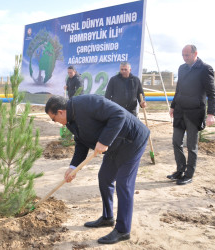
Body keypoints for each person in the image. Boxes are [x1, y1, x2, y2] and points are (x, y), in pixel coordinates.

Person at [45, 94, 149, 244]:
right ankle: (108, 218)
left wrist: (103, 141)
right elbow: (81, 143)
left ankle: (123, 230)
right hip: (114, 145)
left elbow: (118, 114)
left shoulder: (87, 103)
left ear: (60, 112)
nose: (56, 122)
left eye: (53, 119)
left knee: (123, 184)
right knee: (105, 178)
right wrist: (73, 167)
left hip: (132, 139)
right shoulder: (70, 122)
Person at [167, 45, 215, 185]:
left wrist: (211, 113)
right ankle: (180, 170)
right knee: (176, 141)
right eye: (183, 55)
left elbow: (212, 93)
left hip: (195, 112)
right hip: (180, 111)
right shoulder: (182, 68)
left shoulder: (205, 69)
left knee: (191, 145)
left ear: (195, 54)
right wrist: (173, 106)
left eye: (187, 55)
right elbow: (178, 89)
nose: (184, 58)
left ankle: (189, 174)